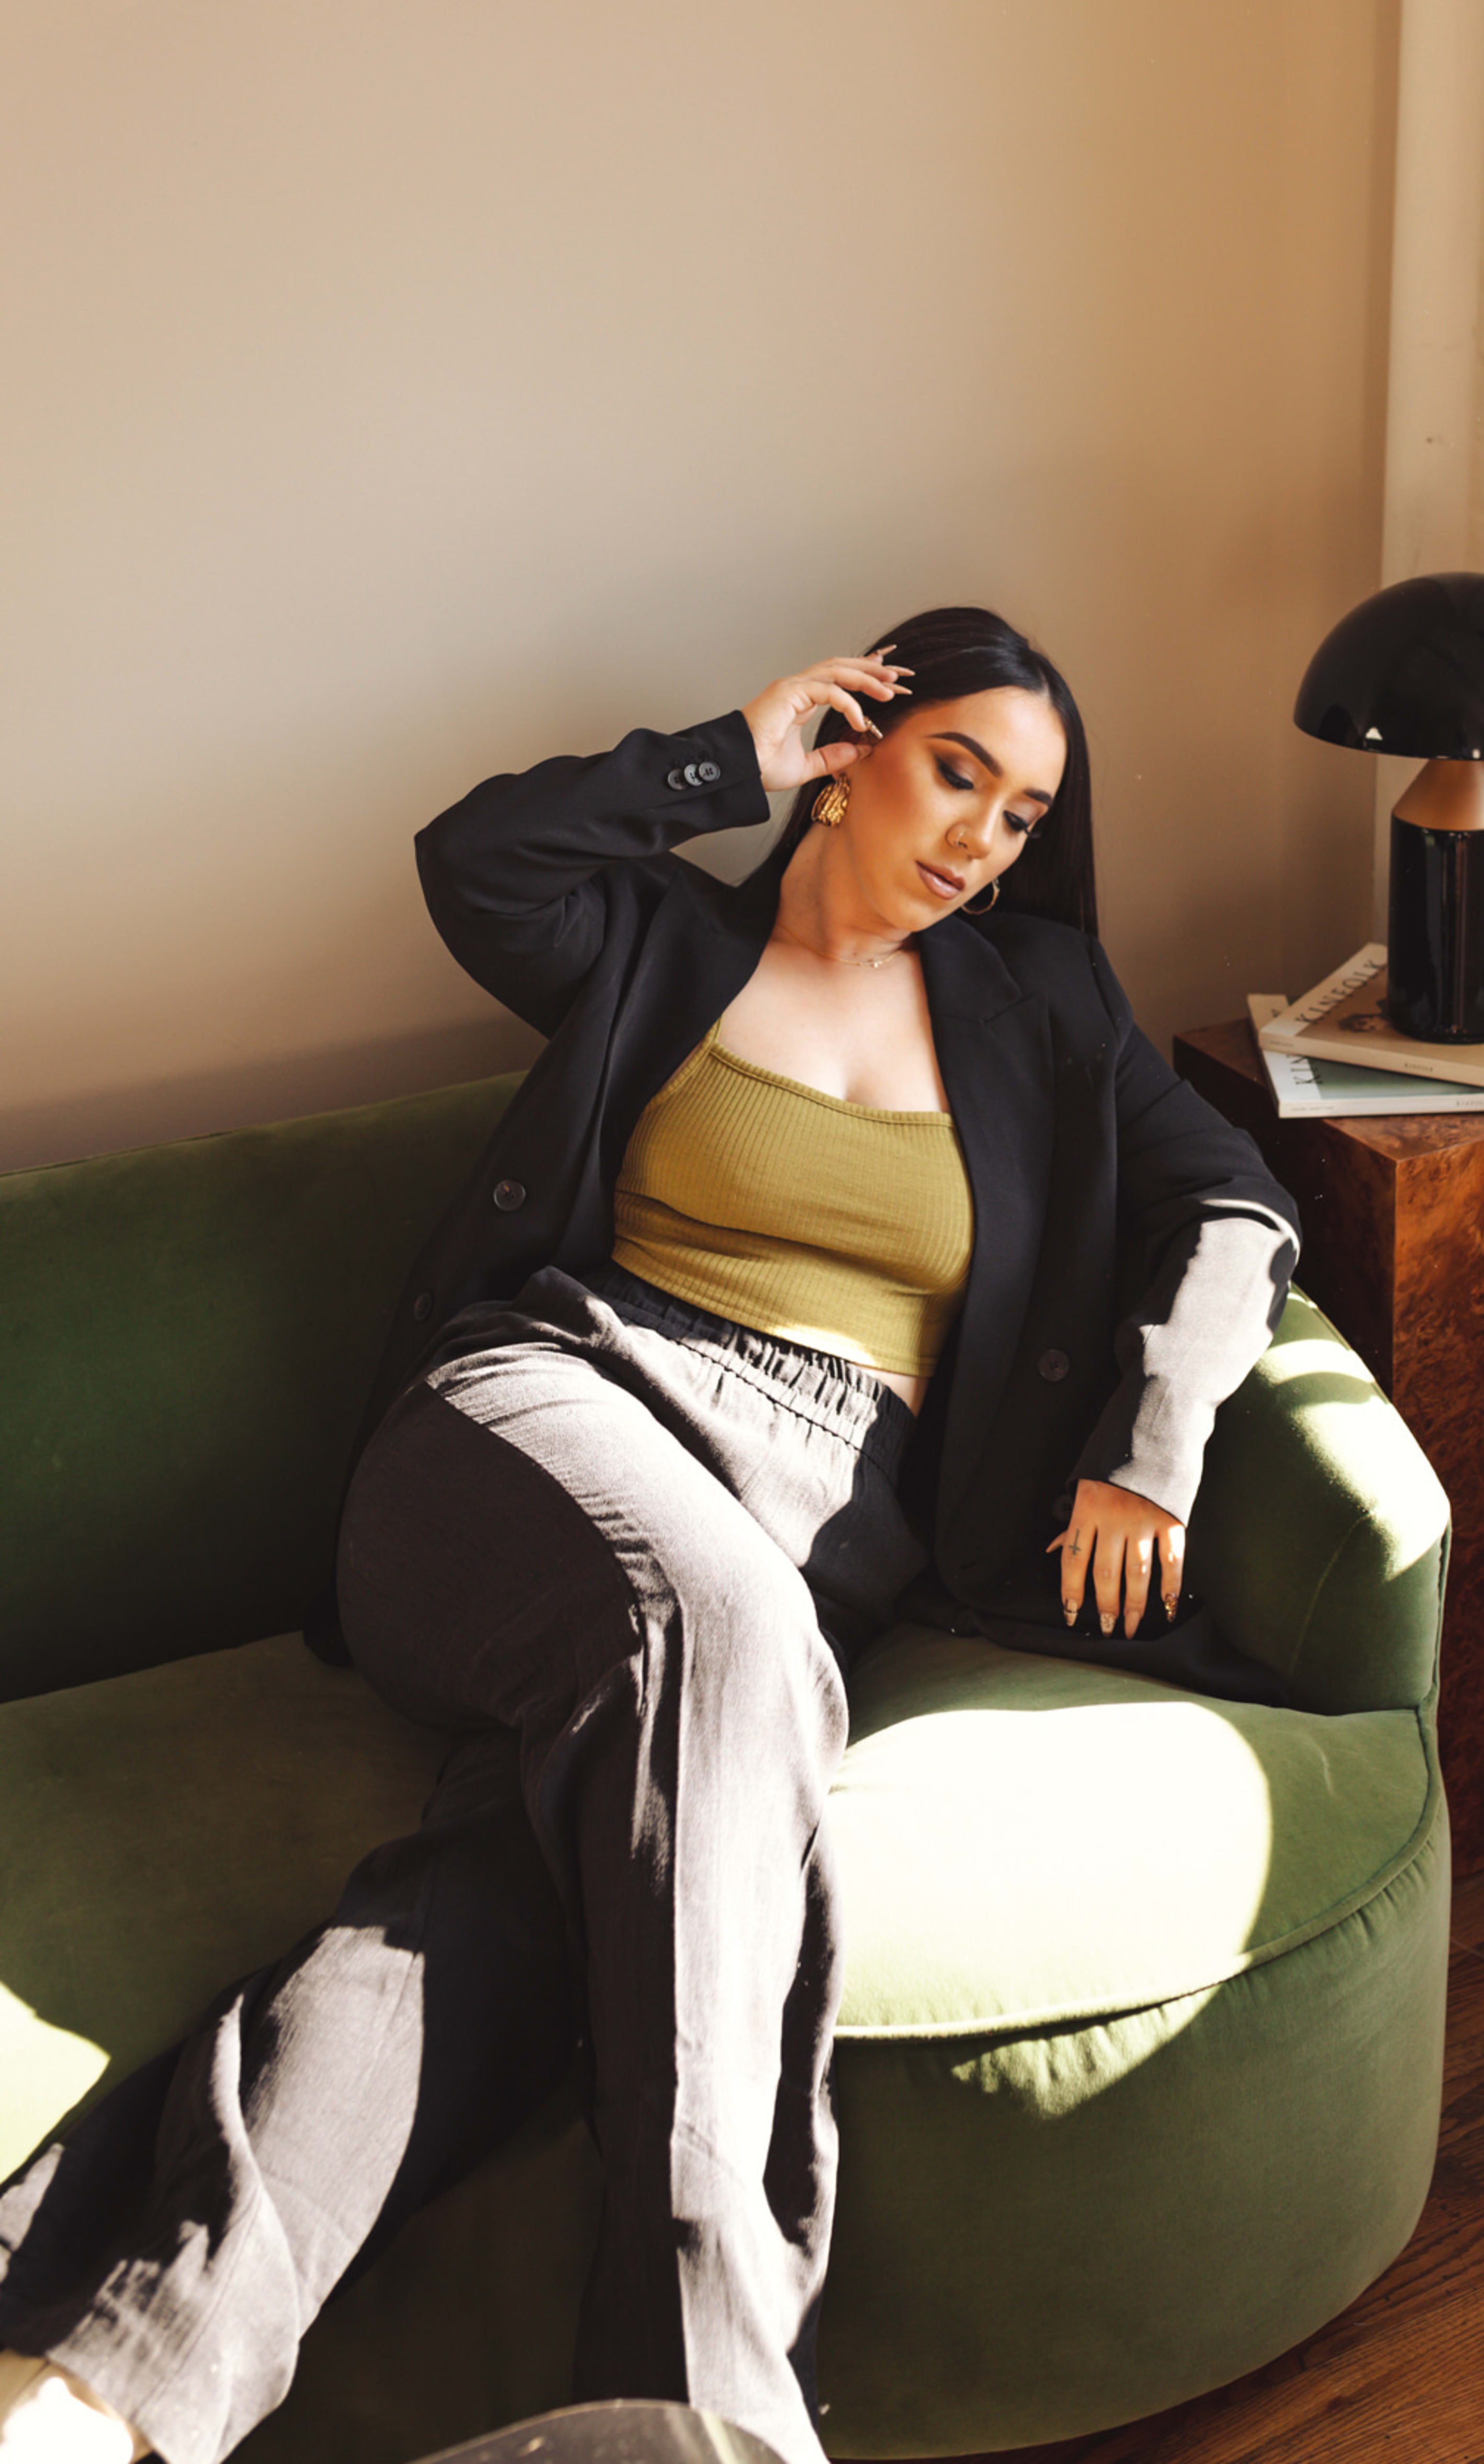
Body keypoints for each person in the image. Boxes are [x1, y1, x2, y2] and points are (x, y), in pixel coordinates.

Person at [0, 607, 1300, 2464]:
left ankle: (97, 2395)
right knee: (739, 1651)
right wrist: (721, 758)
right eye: (954, 772)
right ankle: (707, 2410)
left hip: (789, 1540)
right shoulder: (664, 942)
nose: (981, 840)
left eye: (1022, 818)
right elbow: (476, 861)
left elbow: (1236, 1200)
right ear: (855, 740)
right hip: (530, 1427)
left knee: (503, 1917)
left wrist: (1154, 1438)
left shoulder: (1046, 1010)